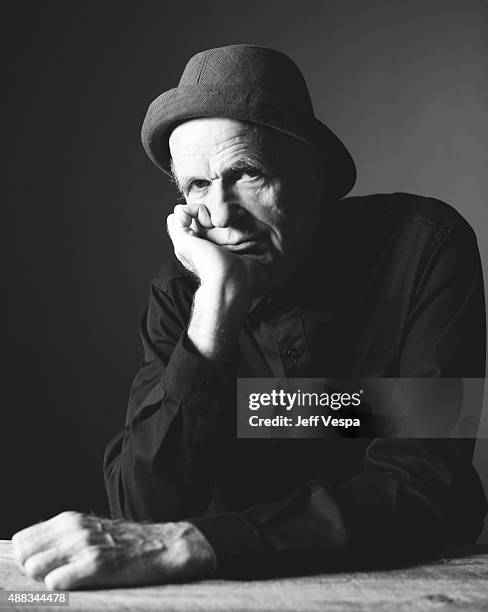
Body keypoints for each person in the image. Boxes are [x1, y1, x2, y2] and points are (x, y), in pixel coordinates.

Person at [12, 45, 487, 590]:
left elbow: (423, 485)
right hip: (224, 591)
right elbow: (141, 509)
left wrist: (202, 538)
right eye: (196, 186)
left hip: (418, 583)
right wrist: (216, 307)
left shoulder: (424, 245)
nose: (222, 213)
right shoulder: (183, 287)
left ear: (314, 174)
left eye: (246, 174)